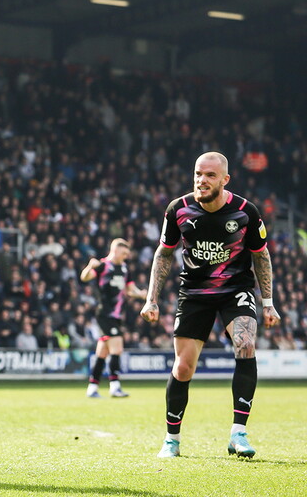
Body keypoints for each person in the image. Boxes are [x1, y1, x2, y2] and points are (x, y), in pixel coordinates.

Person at [140, 152, 281, 459]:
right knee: (183, 366)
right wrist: (152, 298)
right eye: (198, 174)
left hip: (236, 288)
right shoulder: (178, 210)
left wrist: (268, 303)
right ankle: (171, 439)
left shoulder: (246, 211)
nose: (201, 180)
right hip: (195, 291)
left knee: (246, 344)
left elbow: (261, 255)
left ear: (225, 179)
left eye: (210, 175)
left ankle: (238, 433)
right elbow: (164, 254)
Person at [80, 238, 146, 398]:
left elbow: (129, 290)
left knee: (102, 353)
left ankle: (92, 388)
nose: (126, 256)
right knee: (117, 348)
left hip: (116, 316)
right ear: (114, 250)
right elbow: (84, 278)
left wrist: (141, 294)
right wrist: (90, 265)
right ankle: (115, 386)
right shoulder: (103, 266)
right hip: (105, 314)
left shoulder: (124, 268)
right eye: (124, 253)